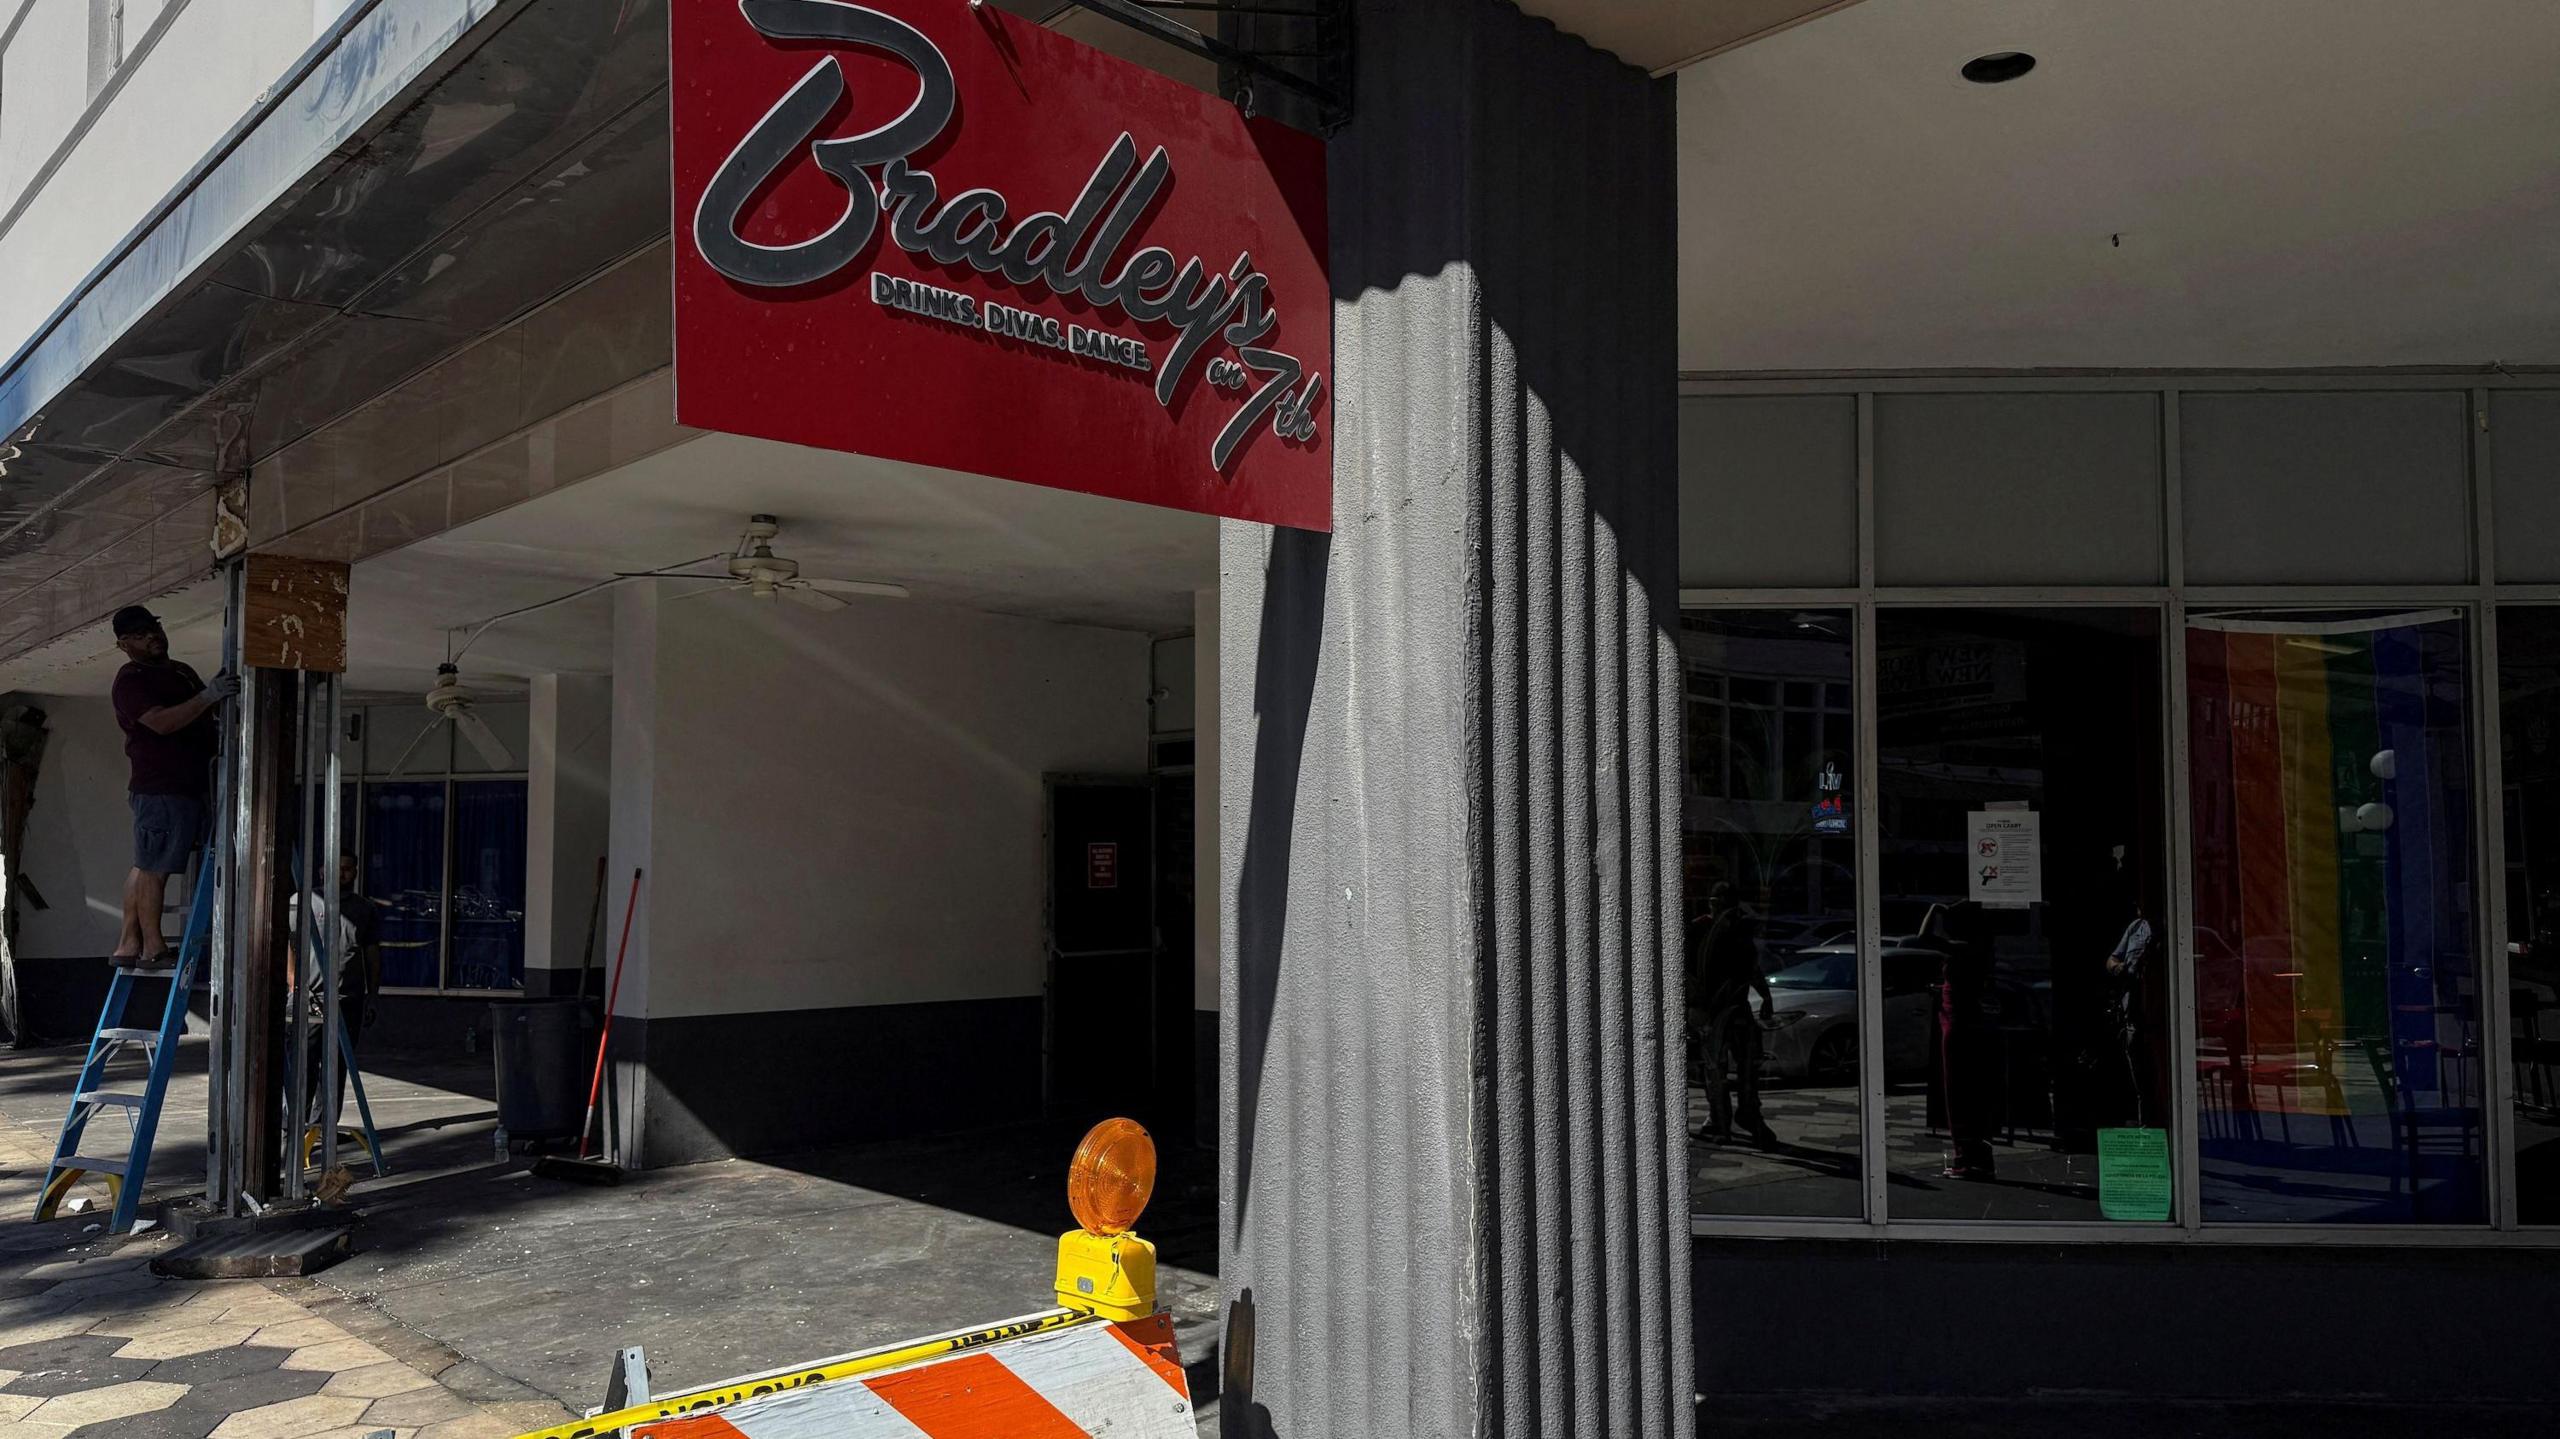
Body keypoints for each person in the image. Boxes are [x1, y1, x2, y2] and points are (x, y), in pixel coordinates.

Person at [107, 606, 237, 969]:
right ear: (124, 644)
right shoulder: (131, 681)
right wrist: (209, 696)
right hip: (161, 787)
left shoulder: (180, 671)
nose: (152, 636)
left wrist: (212, 698)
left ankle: (128, 945)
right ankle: (152, 947)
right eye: (140, 633)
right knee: (154, 868)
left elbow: (203, 710)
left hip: (187, 784)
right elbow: (161, 723)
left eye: (153, 627)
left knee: (146, 863)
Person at [1690, 883, 1778, 1148]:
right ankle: (1721, 1117)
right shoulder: (1700, 930)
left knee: (1746, 1062)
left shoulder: (1736, 931)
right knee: (1715, 1067)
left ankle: (1746, 1113)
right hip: (1710, 1011)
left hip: (1732, 1007)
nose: (1721, 910)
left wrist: (1765, 995)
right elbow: (1689, 971)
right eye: (1718, 904)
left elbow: (1750, 967)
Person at [2104, 894, 2157, 1128]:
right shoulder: (2136, 927)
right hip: (2133, 1011)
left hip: (2156, 1015)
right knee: (2138, 1074)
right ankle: (2143, 1125)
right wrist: (2119, 968)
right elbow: (2112, 959)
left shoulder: (2165, 929)